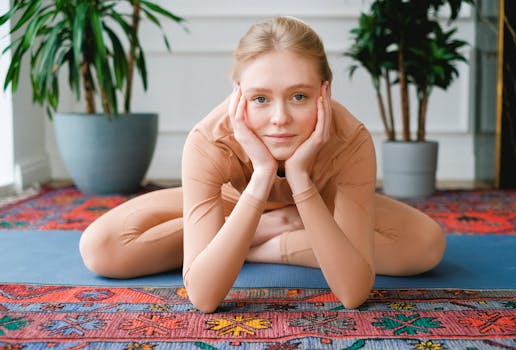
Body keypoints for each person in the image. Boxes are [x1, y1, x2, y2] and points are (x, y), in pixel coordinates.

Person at [79, 16, 446, 313]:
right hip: (234, 199)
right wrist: (260, 181)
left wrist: (300, 181)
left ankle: (253, 242)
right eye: (260, 98)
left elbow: (352, 293)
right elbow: (204, 299)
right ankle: (265, 227)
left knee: (424, 245)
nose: (280, 118)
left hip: (320, 203)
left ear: (325, 91)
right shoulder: (210, 140)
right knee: (102, 248)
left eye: (299, 96)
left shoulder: (350, 140)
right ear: (237, 93)